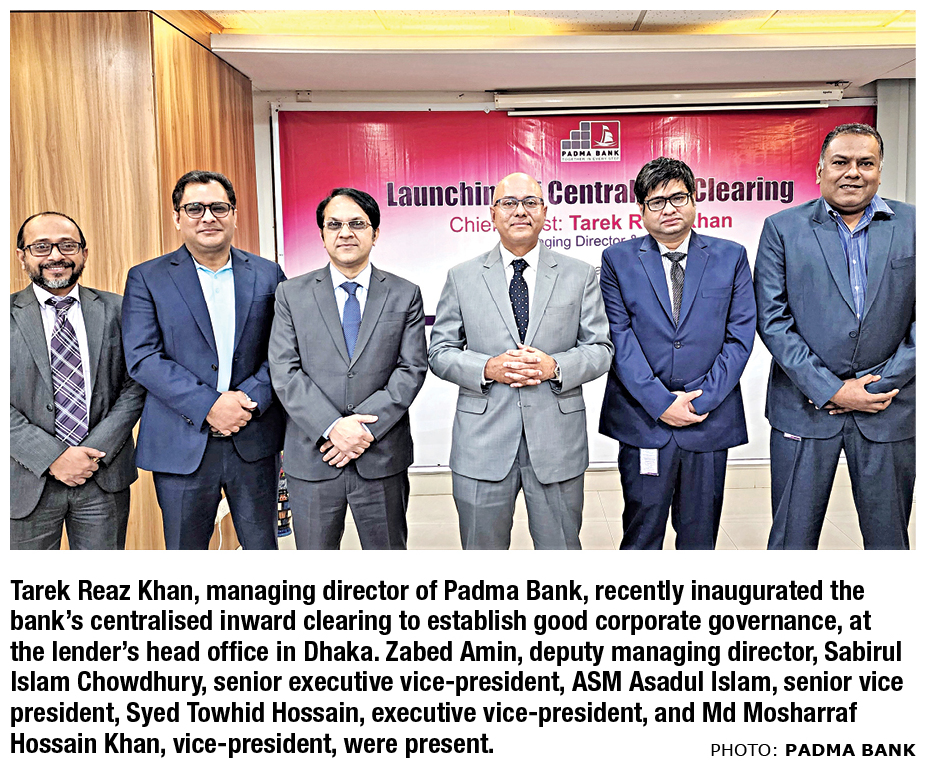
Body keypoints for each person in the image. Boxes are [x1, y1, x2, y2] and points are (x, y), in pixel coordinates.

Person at [429, 172, 613, 550]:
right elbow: (440, 351)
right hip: (482, 444)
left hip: (557, 443)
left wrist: (555, 367)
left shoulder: (579, 275)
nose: (520, 211)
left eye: (530, 202)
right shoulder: (462, 277)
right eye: (509, 203)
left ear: (544, 212)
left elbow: (600, 349)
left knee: (560, 553)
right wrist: (487, 368)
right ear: (492, 214)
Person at [755, 123, 915, 550]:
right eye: (841, 162)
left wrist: (875, 388)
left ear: (880, 170)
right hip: (803, 410)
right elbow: (772, 320)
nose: (853, 172)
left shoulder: (915, 225)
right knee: (791, 542)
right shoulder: (782, 228)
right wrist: (832, 390)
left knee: (889, 543)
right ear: (820, 169)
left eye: (866, 163)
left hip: (888, 408)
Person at [122, 171, 286, 550]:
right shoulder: (147, 278)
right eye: (195, 208)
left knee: (263, 551)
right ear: (177, 217)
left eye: (218, 208)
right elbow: (143, 357)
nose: (208, 217)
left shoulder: (268, 274)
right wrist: (210, 405)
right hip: (181, 443)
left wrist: (245, 401)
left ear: (234, 215)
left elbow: (283, 349)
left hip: (254, 437)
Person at [599, 158, 756, 549]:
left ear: (694, 200)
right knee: (641, 534)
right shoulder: (617, 260)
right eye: (656, 202)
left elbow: (740, 336)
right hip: (643, 419)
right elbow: (619, 338)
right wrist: (661, 402)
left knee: (699, 537)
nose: (668, 209)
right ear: (641, 209)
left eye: (678, 198)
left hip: (708, 419)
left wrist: (699, 401)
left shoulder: (731, 256)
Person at [269, 188, 427, 549]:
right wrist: (332, 427)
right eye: (335, 224)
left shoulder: (404, 293)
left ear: (375, 233)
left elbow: (411, 369)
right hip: (314, 455)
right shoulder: (291, 294)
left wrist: (361, 430)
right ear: (322, 234)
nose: (346, 233)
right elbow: (285, 369)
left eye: (357, 224)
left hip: (380, 455)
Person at [11, 212, 145, 549]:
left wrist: (90, 453)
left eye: (67, 245)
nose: (56, 256)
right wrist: (53, 457)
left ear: (84, 252)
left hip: (102, 477)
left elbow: (136, 385)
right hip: (25, 478)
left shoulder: (120, 310)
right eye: (41, 246)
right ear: (22, 256)